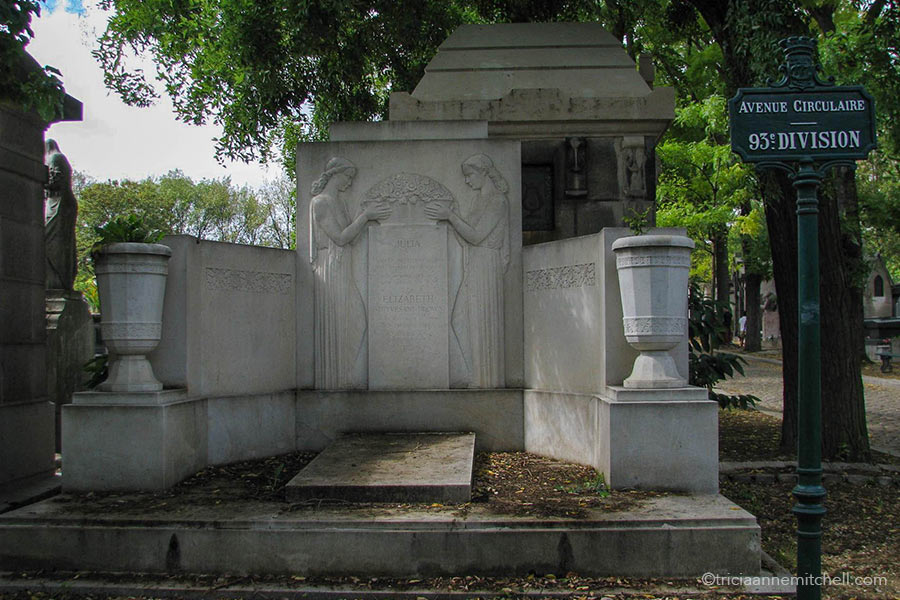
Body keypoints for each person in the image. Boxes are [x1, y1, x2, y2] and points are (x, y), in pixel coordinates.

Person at [425, 154, 509, 387]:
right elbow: (466, 238)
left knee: (479, 320)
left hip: (486, 265)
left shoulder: (497, 201)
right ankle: (474, 374)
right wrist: (449, 219)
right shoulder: (477, 200)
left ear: (483, 173)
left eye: (470, 175)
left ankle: (485, 380)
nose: (467, 181)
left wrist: (450, 217)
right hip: (473, 262)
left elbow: (476, 235)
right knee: (461, 318)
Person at [310, 157, 391, 388]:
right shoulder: (321, 202)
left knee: (355, 320)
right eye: (347, 177)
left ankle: (345, 375)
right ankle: (335, 381)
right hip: (331, 266)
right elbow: (341, 237)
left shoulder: (340, 202)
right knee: (341, 321)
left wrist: (369, 221)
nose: (349, 183)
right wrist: (366, 217)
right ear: (336, 175)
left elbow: (351, 235)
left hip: (344, 265)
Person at [44, 139, 78, 291]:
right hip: (56, 202)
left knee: (52, 240)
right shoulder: (56, 157)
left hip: (59, 203)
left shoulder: (54, 157)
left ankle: (58, 280)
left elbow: (56, 181)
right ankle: (57, 279)